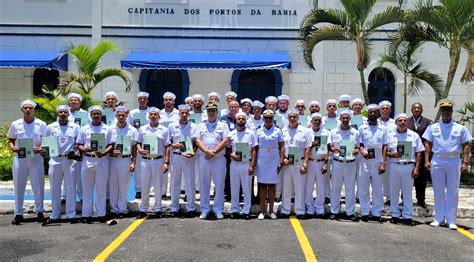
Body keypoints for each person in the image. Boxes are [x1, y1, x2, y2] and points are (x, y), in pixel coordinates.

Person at [423, 99, 472, 230]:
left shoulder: (460, 127)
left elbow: (466, 145)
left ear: (451, 111)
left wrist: (465, 162)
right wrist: (427, 160)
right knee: (438, 190)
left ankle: (451, 220)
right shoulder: (433, 127)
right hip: (437, 160)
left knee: (453, 190)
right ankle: (438, 218)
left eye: (448, 110)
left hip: (453, 160)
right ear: (440, 111)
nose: (446, 112)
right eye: (443, 110)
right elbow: (427, 144)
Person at [8, 100, 47, 225]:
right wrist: (13, 148)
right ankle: (18, 213)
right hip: (20, 158)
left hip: (36, 158)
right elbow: (11, 140)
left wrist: (41, 148)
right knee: (19, 186)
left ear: (34, 110)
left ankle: (40, 211)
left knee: (38, 185)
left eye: (30, 108)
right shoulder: (16, 124)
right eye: (26, 108)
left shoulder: (41, 124)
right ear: (22, 110)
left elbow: (46, 141)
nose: (28, 110)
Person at [76, 106, 115, 223]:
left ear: (101, 115)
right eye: (94, 114)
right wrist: (84, 149)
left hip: (102, 160)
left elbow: (111, 144)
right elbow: (79, 144)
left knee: (101, 189)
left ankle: (101, 213)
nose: (96, 116)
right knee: (87, 189)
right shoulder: (84, 129)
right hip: (88, 160)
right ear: (90, 115)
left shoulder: (107, 129)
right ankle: (86, 214)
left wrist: (104, 152)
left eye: (98, 114)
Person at [44, 105, 81, 224]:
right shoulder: (50, 127)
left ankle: (71, 214)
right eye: (61, 112)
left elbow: (78, 143)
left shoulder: (75, 127)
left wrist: (76, 151)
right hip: (55, 159)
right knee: (55, 188)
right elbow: (46, 142)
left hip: (70, 160)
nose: (63, 114)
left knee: (71, 188)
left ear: (69, 114)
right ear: (58, 113)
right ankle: (55, 215)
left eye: (65, 112)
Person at [386, 113, 423, 226]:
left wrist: (416, 168)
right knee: (394, 191)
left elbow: (419, 153)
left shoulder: (414, 135)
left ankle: (407, 215)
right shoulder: (390, 135)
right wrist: (392, 154)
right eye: (400, 120)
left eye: (404, 121)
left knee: (407, 192)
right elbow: (385, 151)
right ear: (396, 122)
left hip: (408, 166)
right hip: (394, 165)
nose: (402, 122)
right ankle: (395, 214)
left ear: (407, 122)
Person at [196, 102, 230, 219]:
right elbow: (198, 140)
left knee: (219, 184)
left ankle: (218, 209)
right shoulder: (200, 125)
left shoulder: (223, 125)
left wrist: (214, 152)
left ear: (217, 112)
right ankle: (204, 209)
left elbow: (225, 140)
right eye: (209, 111)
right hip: (204, 158)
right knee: (204, 184)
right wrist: (206, 151)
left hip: (218, 158)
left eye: (213, 111)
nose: (211, 113)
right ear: (206, 112)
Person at [136, 107, 171, 219]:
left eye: (155, 114)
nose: (153, 116)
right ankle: (143, 209)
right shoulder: (142, 129)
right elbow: (138, 142)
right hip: (145, 160)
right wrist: (139, 150)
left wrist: (166, 162)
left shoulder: (164, 130)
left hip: (158, 160)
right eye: (151, 114)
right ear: (148, 116)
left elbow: (167, 147)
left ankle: (158, 209)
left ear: (159, 117)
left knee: (158, 186)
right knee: (144, 185)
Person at [328, 109, 361, 222]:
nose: (345, 120)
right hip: (337, 162)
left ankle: (350, 212)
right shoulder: (333, 132)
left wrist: (356, 151)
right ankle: (334, 211)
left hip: (350, 163)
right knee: (336, 188)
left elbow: (358, 146)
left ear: (350, 119)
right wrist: (334, 149)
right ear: (340, 119)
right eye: (343, 118)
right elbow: (330, 147)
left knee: (350, 188)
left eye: (347, 118)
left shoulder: (355, 132)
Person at [280, 109, 312, 219]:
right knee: (286, 187)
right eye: (290, 117)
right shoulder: (283, 131)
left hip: (299, 163)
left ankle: (300, 210)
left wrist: (305, 164)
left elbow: (308, 148)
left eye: (294, 117)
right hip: (287, 164)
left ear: (298, 118)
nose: (292, 119)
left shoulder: (306, 131)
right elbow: (281, 147)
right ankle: (285, 209)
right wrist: (282, 158)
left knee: (299, 188)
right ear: (288, 118)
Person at [168, 104, 199, 218]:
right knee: (175, 182)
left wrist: (194, 152)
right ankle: (174, 207)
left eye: (186, 113)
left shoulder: (194, 126)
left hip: (189, 157)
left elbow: (196, 142)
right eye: (182, 113)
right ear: (179, 114)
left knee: (190, 183)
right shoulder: (172, 126)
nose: (184, 115)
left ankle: (191, 207)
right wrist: (173, 145)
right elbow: (168, 142)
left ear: (189, 114)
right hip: (176, 156)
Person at [357, 104, 387, 222]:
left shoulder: (383, 129)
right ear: (368, 114)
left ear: (378, 113)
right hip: (365, 161)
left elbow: (385, 146)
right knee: (363, 187)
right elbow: (359, 143)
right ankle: (364, 211)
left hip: (378, 161)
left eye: (375, 112)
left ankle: (376, 212)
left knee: (377, 188)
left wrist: (384, 162)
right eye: (371, 112)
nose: (373, 114)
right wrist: (362, 151)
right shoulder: (362, 128)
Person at [227, 112, 257, 219]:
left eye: (242, 119)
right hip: (234, 163)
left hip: (246, 163)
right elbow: (228, 149)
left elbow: (254, 150)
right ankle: (234, 210)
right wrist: (231, 155)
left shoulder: (251, 133)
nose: (240, 120)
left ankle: (246, 211)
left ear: (245, 121)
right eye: (238, 119)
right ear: (236, 120)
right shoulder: (231, 134)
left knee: (247, 188)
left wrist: (252, 165)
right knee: (234, 187)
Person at [255, 109, 285, 220]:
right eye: (266, 118)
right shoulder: (258, 130)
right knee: (262, 185)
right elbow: (255, 147)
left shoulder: (278, 130)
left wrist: (281, 160)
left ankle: (271, 210)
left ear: (273, 119)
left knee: (272, 185)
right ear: (263, 119)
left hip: (274, 159)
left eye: (270, 118)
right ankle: (262, 211)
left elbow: (282, 146)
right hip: (262, 159)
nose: (268, 120)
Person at [109, 106, 137, 218]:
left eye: (123, 115)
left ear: (126, 116)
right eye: (119, 115)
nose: (121, 117)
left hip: (126, 159)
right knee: (113, 185)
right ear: (116, 116)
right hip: (112, 160)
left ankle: (122, 209)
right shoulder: (110, 129)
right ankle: (113, 209)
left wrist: (133, 162)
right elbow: (108, 145)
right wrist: (111, 152)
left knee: (123, 186)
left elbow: (134, 147)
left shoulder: (132, 130)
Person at [304, 113, 330, 218]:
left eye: (319, 120)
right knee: (309, 186)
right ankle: (310, 208)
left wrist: (325, 163)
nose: (317, 122)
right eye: (315, 120)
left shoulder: (326, 132)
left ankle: (319, 208)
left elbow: (327, 149)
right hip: (310, 162)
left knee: (321, 187)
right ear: (311, 121)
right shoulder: (307, 132)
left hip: (320, 161)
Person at [407, 102, 432, 208]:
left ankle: (421, 200)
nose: (417, 110)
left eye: (419, 108)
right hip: (408, 153)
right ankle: (405, 199)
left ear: (422, 110)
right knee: (407, 177)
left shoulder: (428, 122)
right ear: (411, 110)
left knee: (421, 178)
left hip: (422, 154)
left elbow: (429, 139)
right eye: (415, 108)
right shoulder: (405, 121)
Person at [127, 91, 151, 200]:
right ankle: (138, 190)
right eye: (140, 99)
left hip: (150, 142)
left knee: (150, 168)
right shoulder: (133, 113)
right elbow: (130, 126)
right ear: (138, 100)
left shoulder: (152, 111)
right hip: (137, 143)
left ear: (147, 100)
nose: (142, 101)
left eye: (144, 99)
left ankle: (149, 189)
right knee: (138, 168)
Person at [67, 92, 86, 202]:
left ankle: (82, 196)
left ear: (79, 102)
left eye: (76, 100)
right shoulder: (64, 113)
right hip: (67, 147)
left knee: (79, 173)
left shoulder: (85, 114)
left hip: (80, 147)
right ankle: (65, 196)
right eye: (72, 100)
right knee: (67, 173)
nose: (74, 102)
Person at [160, 92, 179, 200]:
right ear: (163, 101)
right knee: (164, 168)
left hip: (175, 146)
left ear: (173, 101)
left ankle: (175, 192)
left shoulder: (178, 113)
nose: (168, 101)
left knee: (175, 171)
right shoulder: (159, 114)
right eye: (166, 100)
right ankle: (163, 192)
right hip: (163, 146)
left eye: (170, 100)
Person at [378, 100, 396, 205]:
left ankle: (389, 197)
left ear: (390, 110)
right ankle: (379, 196)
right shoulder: (375, 122)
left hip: (390, 153)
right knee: (378, 176)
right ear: (379, 110)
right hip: (377, 153)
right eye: (383, 109)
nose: (385, 110)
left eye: (387, 109)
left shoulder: (394, 123)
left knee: (390, 176)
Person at [221, 100, 239, 202]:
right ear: (228, 108)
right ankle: (228, 194)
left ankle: (239, 194)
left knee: (239, 173)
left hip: (239, 149)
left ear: (238, 107)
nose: (233, 108)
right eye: (231, 107)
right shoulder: (223, 119)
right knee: (228, 173)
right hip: (227, 150)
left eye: (235, 106)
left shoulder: (241, 118)